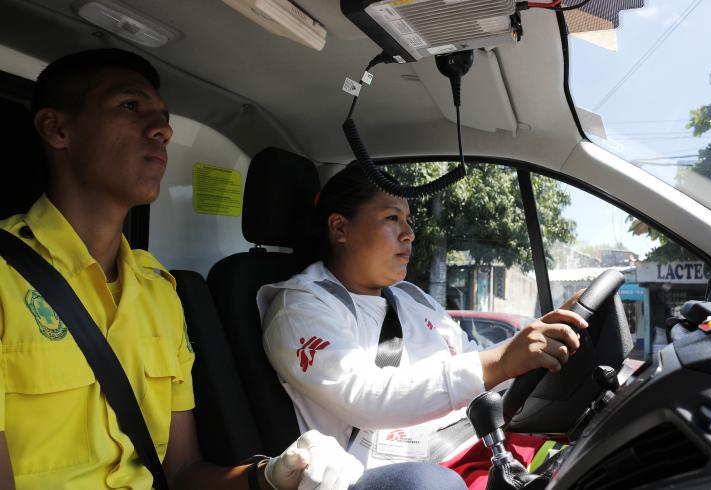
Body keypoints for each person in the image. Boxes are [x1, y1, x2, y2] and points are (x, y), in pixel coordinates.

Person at [0, 49, 466, 490]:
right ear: (57, 129)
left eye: (163, 116)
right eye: (129, 106)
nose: (162, 129)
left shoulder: (159, 293)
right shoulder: (5, 279)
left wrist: (270, 476)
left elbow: (182, 471)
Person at [258, 164, 589, 469]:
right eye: (392, 218)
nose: (409, 233)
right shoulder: (300, 308)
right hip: (405, 474)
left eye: (408, 219)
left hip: (476, 444)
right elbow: (367, 398)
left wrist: (543, 338)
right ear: (340, 228)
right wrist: (500, 361)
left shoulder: (412, 297)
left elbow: (476, 362)